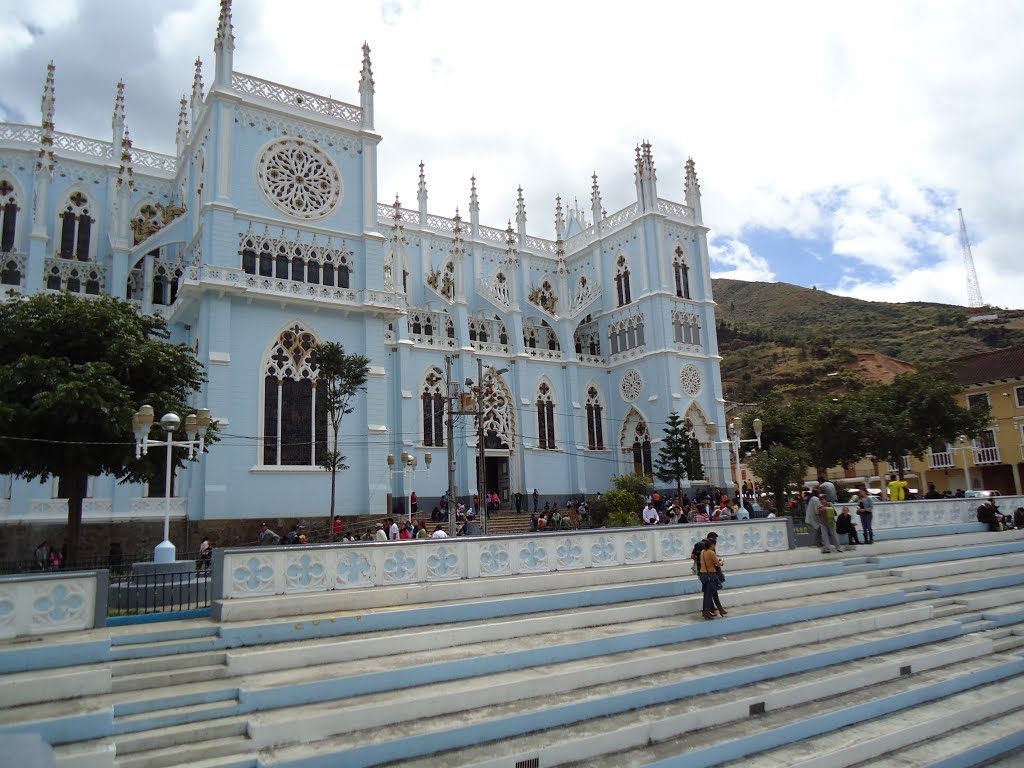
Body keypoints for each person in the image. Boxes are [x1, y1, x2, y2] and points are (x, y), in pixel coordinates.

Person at [698, 533, 726, 620]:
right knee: (710, 594)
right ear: (712, 545)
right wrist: (722, 561)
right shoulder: (711, 552)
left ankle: (720, 609)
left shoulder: (703, 552)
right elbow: (718, 564)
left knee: (709, 593)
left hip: (703, 575)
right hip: (710, 575)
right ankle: (707, 612)